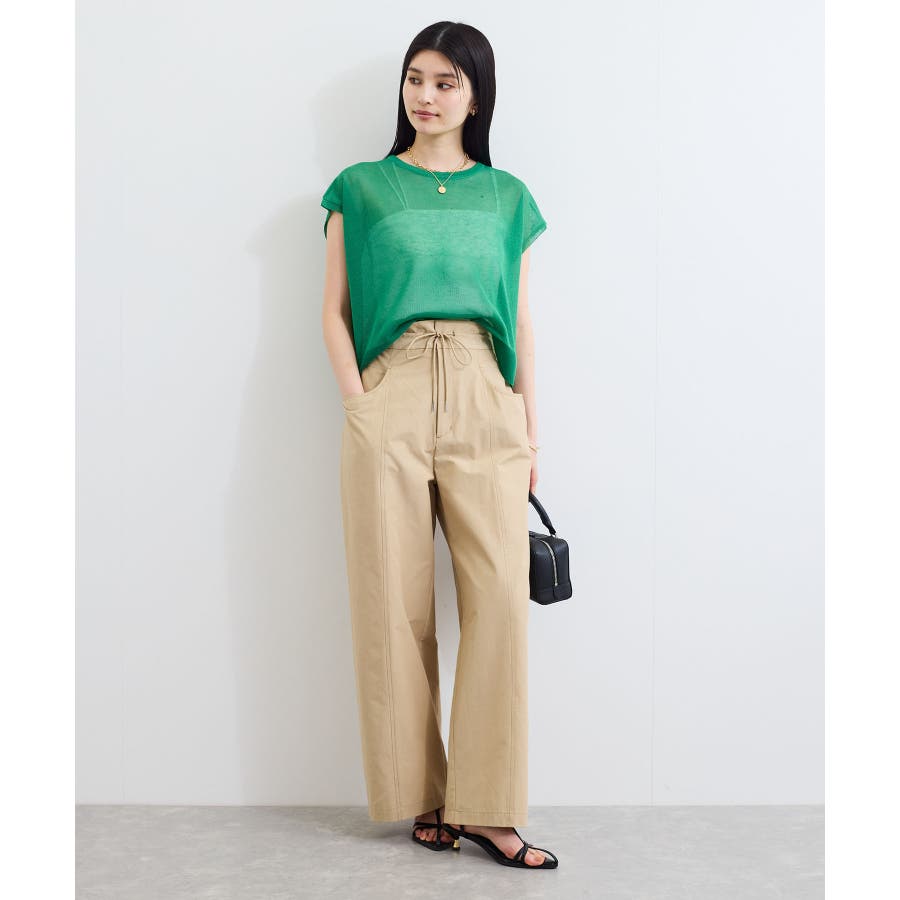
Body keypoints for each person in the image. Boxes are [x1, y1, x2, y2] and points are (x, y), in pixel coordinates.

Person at [320, 21, 558, 871]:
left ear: (476, 96)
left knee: (499, 604)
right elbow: (333, 311)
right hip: (390, 385)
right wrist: (360, 405)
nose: (426, 95)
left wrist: (529, 427)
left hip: (486, 393)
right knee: (394, 600)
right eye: (416, 78)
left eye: (446, 82)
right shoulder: (362, 188)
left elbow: (520, 319)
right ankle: (421, 795)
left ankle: (489, 809)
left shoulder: (507, 197)